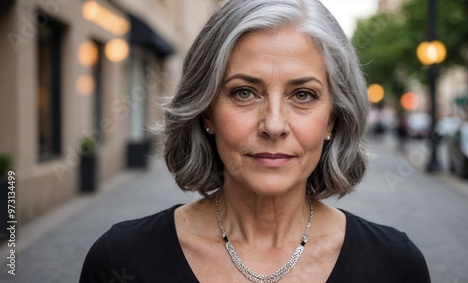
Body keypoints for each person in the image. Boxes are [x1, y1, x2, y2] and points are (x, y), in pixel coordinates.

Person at [80, 0, 431, 282]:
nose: (273, 125)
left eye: (303, 95)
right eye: (244, 92)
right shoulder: (121, 260)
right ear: (206, 113)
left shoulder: (396, 266)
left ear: (333, 120)